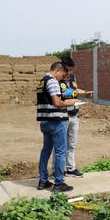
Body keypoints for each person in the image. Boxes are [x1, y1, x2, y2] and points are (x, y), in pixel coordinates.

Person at [36, 61, 79, 192]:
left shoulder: (42, 81)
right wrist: (70, 102)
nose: (62, 77)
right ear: (57, 71)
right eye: (62, 74)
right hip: (56, 121)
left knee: (46, 151)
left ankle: (43, 180)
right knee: (61, 151)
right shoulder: (52, 81)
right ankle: (59, 183)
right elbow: (57, 102)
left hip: (45, 122)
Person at [54, 56, 92, 178]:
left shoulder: (72, 77)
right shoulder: (57, 79)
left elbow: (75, 89)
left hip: (74, 114)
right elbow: (61, 93)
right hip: (62, 115)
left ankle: (71, 168)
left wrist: (85, 92)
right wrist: (76, 93)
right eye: (68, 70)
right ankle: (57, 170)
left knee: (72, 143)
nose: (69, 73)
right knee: (60, 145)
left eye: (71, 70)